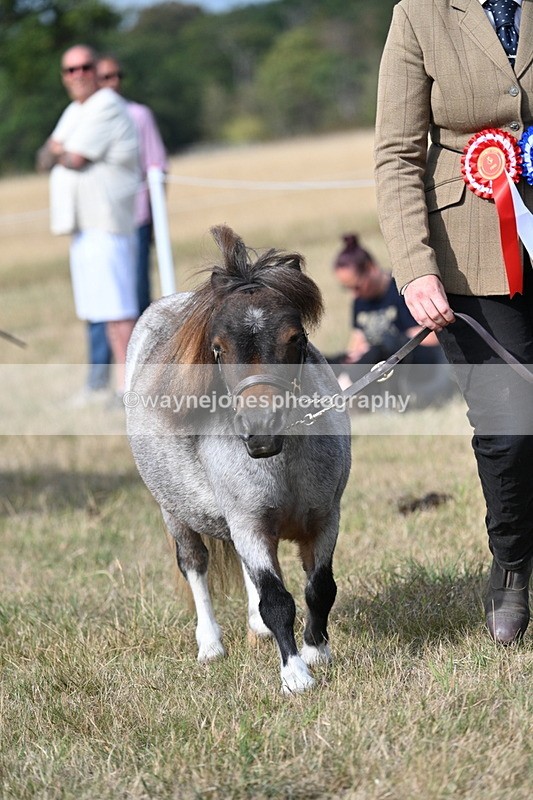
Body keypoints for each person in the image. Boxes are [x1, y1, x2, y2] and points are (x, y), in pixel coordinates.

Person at [374, 0, 533, 643]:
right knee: (510, 426)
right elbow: (396, 154)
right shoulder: (418, 13)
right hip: (468, 253)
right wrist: (415, 268)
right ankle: (515, 568)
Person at [37, 44, 139, 400]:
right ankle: (118, 388)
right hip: (84, 225)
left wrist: (59, 150)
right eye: (70, 69)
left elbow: (74, 158)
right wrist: (58, 152)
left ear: (97, 68)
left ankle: (131, 390)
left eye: (84, 67)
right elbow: (44, 158)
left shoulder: (107, 104)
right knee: (103, 313)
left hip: (106, 223)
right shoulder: (74, 110)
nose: (78, 75)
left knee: (121, 314)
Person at [85, 54, 168, 393]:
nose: (112, 82)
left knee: (135, 299)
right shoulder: (86, 119)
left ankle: (143, 378)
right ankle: (99, 377)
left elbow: (156, 165)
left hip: (133, 219)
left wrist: (154, 221)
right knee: (98, 305)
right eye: (105, 77)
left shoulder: (138, 115)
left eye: (117, 75)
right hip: (97, 222)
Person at [327, 234, 451, 408]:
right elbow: (357, 342)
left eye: (357, 286)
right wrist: (351, 357)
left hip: (419, 360)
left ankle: (345, 392)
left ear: (370, 268)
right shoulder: (360, 301)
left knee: (384, 346)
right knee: (329, 360)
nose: (354, 294)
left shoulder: (401, 290)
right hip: (375, 362)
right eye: (347, 288)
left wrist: (390, 342)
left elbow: (433, 337)